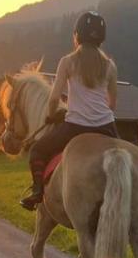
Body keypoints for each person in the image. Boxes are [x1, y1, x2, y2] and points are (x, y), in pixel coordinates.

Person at [21, 11, 121, 210]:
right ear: (101, 39)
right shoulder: (110, 66)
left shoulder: (67, 62)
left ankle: (38, 192)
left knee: (38, 150)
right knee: (125, 158)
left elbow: (54, 98)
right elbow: (112, 104)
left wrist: (51, 115)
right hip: (107, 127)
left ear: (77, 36)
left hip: (76, 127)